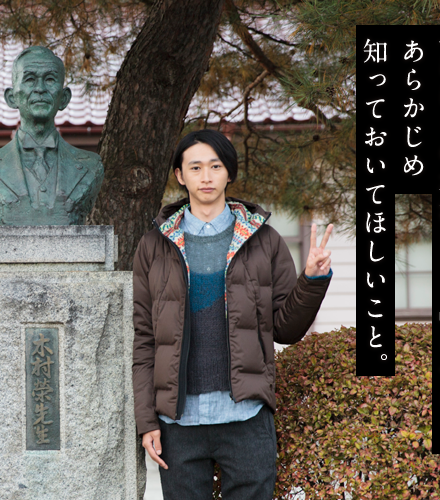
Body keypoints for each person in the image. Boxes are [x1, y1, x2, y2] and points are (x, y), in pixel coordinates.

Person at [132, 129, 333, 499]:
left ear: (229, 173)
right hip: (178, 420)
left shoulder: (264, 240)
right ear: (180, 175)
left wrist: (313, 279)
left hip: (245, 416)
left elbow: (287, 328)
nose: (206, 176)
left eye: (215, 166)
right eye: (195, 167)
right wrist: (147, 421)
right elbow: (145, 340)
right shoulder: (153, 246)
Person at [0, 45, 103, 225]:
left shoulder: (91, 166)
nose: (40, 89)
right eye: (30, 79)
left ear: (64, 98)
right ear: (11, 97)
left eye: (49, 79)